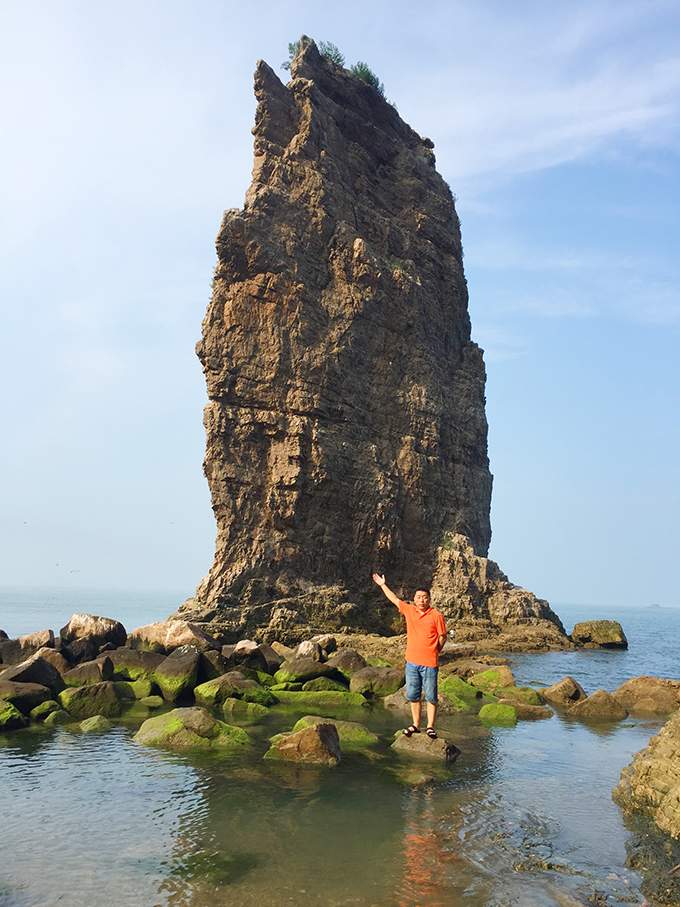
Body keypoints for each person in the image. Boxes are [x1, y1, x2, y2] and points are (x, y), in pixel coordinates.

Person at [372, 573, 447, 739]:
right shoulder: (410, 610)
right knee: (413, 695)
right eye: (419, 597)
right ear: (414, 599)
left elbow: (443, 636)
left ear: (429, 599)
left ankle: (430, 727)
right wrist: (382, 585)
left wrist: (436, 650)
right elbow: (394, 599)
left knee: (431, 696)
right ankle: (415, 725)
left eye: (425, 597)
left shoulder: (436, 615)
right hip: (412, 662)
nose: (422, 600)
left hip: (429, 663)